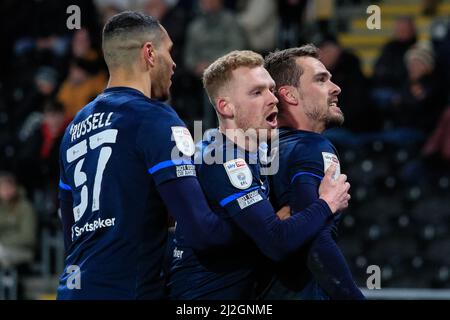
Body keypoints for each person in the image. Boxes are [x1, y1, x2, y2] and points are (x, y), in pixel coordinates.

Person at [57, 11, 242, 300]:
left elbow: (71, 232)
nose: (174, 63)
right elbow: (202, 231)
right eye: (169, 51)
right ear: (149, 53)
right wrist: (264, 224)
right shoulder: (155, 118)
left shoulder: (74, 128)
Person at [168, 50, 351, 299]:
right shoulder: (224, 158)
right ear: (226, 106)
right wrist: (326, 203)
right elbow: (276, 241)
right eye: (257, 92)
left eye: (270, 89)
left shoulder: (258, 152)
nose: (272, 99)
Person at [263, 44, 364, 299]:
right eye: (321, 80)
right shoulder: (313, 146)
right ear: (290, 95)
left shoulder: (258, 149)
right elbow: (316, 243)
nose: (335, 87)